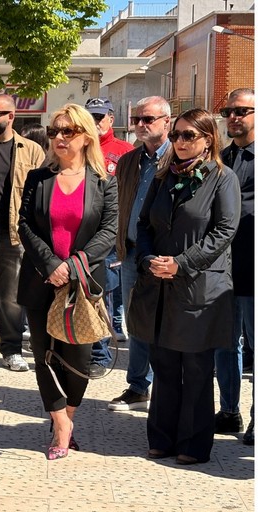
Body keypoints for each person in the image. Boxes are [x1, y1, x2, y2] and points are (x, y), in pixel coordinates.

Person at [127, 108, 239, 465]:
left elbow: (224, 230)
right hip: (160, 285)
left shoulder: (223, 178)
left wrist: (182, 263)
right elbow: (143, 224)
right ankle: (161, 437)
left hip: (200, 286)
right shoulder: (163, 177)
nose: (179, 142)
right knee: (164, 363)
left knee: (195, 367)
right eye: (176, 135)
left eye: (188, 136)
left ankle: (192, 444)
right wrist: (148, 260)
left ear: (208, 140)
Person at [17, 104, 117, 460]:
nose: (59, 137)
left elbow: (108, 232)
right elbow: (24, 225)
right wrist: (50, 265)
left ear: (86, 136)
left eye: (68, 131)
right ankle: (60, 424)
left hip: (83, 285)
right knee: (44, 355)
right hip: (41, 280)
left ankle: (68, 415)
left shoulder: (104, 181)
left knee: (78, 358)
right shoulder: (37, 178)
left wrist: (73, 267)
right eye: (54, 131)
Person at [108, 96, 172, 412]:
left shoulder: (178, 157)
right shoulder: (129, 161)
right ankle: (137, 386)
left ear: (167, 122)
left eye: (148, 119)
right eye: (137, 119)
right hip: (131, 252)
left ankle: (167, 389)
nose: (141, 125)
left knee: (165, 324)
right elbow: (120, 205)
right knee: (136, 321)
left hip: (166, 258)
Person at [0, 94, 45, 370]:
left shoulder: (32, 150)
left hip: (14, 235)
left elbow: (42, 193)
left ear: (11, 117)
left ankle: (11, 349)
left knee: (11, 298)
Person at [214, 88, 254, 442]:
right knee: (226, 345)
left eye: (242, 110)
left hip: (252, 266)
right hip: (223, 269)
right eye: (229, 110)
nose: (234, 117)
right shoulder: (221, 159)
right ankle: (229, 411)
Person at [84, 97, 134, 377]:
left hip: (112, 238)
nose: (95, 122)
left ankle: (100, 355)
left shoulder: (125, 152)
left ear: (111, 119)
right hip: (82, 235)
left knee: (104, 297)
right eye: (91, 116)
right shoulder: (81, 148)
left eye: (100, 117)